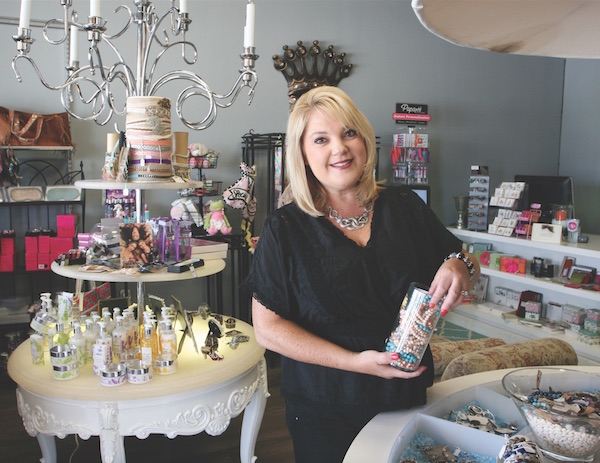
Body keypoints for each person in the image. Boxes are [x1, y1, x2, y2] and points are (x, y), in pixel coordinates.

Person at [242, 86, 480, 463]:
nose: (339, 148)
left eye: (349, 133)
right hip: (326, 405)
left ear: (365, 140)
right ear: (303, 153)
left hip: (405, 395)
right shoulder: (284, 229)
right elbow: (268, 329)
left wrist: (459, 266)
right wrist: (354, 362)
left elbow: (464, 259)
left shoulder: (403, 206)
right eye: (321, 139)